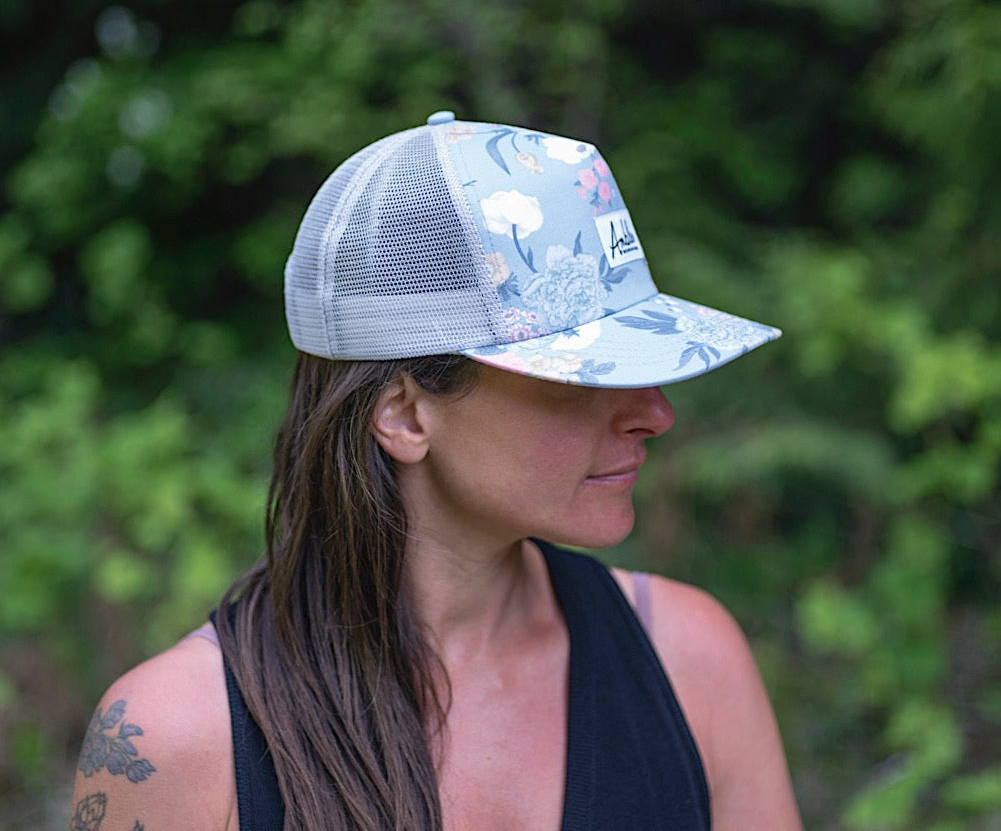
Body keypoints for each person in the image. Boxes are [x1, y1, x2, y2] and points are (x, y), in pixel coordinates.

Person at [70, 110, 802, 831]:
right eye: (580, 378)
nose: (654, 413)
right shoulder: (177, 742)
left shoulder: (689, 662)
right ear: (405, 414)